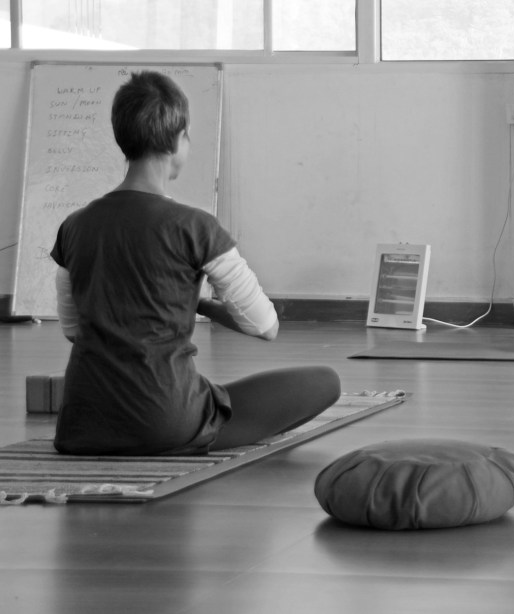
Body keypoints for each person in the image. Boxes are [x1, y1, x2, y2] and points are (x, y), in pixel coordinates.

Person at [51, 71, 341, 456]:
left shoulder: (73, 226)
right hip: (165, 424)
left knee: (201, 389)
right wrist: (199, 303)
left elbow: (73, 330)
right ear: (178, 138)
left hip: (81, 427)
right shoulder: (195, 227)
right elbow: (264, 325)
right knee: (325, 381)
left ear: (122, 138)